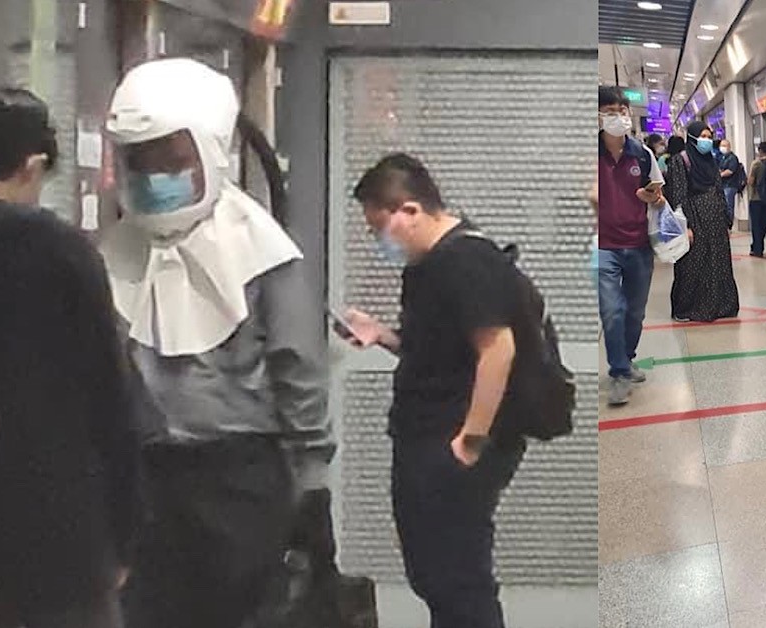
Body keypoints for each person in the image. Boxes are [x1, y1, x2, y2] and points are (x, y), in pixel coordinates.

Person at [97, 58, 334, 628]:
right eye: (142, 159)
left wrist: (313, 483)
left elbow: (297, 367)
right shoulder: (113, 252)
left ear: (209, 152)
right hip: (142, 475)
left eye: (172, 158)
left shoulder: (262, 251)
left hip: (240, 474)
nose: (156, 175)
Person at [341, 154, 526, 628]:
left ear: (409, 211)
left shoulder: (465, 260)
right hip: (427, 437)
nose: (378, 240)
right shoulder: (428, 266)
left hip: (450, 444)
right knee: (437, 578)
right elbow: (441, 353)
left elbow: (497, 350)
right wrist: (382, 335)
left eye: (379, 227)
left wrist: (470, 441)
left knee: (460, 583)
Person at [0, 87, 141, 628]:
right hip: (55, 530)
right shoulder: (63, 253)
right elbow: (111, 401)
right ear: (32, 166)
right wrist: (121, 537)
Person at [596, 86, 663, 406]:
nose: (618, 117)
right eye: (610, 112)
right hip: (601, 246)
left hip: (638, 243)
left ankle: (628, 357)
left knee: (634, 311)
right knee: (612, 310)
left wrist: (652, 196)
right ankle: (619, 372)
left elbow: (659, 196)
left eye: (621, 111)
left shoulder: (642, 153)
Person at [668, 121, 740, 322]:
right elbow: (678, 195)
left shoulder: (710, 161)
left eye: (709, 137)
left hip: (715, 220)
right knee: (693, 263)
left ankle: (720, 306)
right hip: (695, 219)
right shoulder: (680, 161)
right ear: (691, 138)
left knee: (717, 262)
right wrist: (685, 226)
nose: (706, 141)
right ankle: (688, 307)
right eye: (703, 136)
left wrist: (727, 220)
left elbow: (718, 190)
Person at [719, 138, 744, 227]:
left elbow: (730, 171)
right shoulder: (723, 157)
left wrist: (720, 175)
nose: (722, 148)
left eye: (724, 145)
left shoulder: (732, 158)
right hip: (724, 185)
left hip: (730, 185)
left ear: (729, 147)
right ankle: (725, 222)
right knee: (724, 205)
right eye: (721, 145)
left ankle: (729, 224)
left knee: (729, 205)